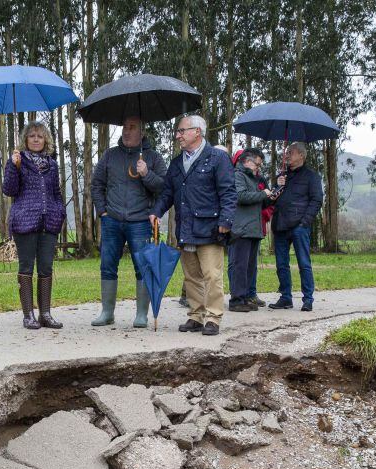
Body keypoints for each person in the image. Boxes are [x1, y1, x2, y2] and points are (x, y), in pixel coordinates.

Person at [149, 115, 236, 337]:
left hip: (210, 228)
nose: (178, 135)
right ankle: (196, 315)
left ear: (197, 132)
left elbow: (228, 192)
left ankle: (213, 317)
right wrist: (157, 212)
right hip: (185, 228)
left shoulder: (217, 158)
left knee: (212, 275)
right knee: (191, 276)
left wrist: (226, 220)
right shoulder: (177, 162)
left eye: (182, 131)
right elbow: (168, 192)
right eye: (178, 131)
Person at [89, 116, 167, 328]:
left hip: (141, 221)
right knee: (107, 266)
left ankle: (141, 315)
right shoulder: (109, 155)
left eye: (132, 127)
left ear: (142, 132)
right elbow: (96, 185)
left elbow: (163, 188)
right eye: (124, 127)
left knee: (143, 267)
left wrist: (146, 174)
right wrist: (102, 211)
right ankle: (107, 313)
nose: (126, 131)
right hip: (111, 220)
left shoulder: (153, 157)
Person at [2, 121, 65, 330]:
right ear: (25, 140)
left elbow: (56, 193)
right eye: (32, 136)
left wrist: (59, 212)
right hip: (25, 221)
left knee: (46, 267)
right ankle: (28, 315)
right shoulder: (17, 161)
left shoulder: (52, 164)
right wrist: (13, 166)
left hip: (49, 223)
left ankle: (45, 314)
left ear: (46, 139)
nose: (36, 139)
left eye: (40, 136)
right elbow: (9, 190)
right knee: (26, 267)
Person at [267, 142, 323, 311]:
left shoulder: (312, 177)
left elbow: (317, 200)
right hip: (280, 225)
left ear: (301, 155)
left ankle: (308, 298)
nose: (287, 155)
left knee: (304, 263)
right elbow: (271, 199)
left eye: (290, 152)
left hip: (299, 226)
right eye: (286, 152)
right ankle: (286, 297)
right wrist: (278, 185)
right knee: (281, 264)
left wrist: (305, 222)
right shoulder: (282, 176)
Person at [229, 147, 270, 312]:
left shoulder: (254, 179)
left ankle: (245, 297)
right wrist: (262, 194)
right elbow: (240, 196)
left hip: (254, 229)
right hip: (241, 229)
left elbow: (259, 202)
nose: (258, 168)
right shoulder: (237, 175)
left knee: (249, 267)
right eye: (257, 164)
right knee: (239, 266)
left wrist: (270, 197)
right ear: (247, 161)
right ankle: (236, 300)